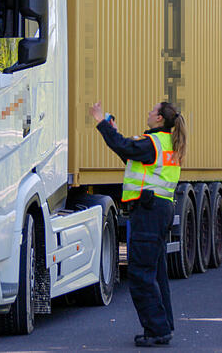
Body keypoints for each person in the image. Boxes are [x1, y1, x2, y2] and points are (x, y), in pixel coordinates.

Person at [89, 101, 187, 347]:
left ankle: (156, 330)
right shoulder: (161, 143)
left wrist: (101, 122)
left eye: (152, 110)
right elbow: (128, 152)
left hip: (149, 211)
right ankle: (163, 327)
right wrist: (113, 130)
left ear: (160, 119)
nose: (148, 112)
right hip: (159, 210)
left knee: (141, 273)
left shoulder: (153, 143)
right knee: (156, 273)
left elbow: (124, 145)